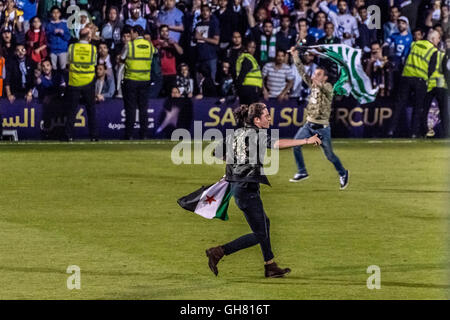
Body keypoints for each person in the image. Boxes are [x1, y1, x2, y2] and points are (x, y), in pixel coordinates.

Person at [206, 102, 322, 278]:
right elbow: (277, 144)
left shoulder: (237, 133)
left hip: (240, 188)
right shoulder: (257, 134)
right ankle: (219, 251)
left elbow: (216, 152)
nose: (269, 117)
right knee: (260, 234)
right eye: (266, 115)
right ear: (257, 119)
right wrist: (306, 140)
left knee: (264, 225)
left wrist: (235, 164)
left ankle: (270, 265)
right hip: (247, 190)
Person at [289, 46, 349, 189]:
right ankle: (302, 171)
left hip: (322, 129)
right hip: (308, 125)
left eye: (318, 74)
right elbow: (302, 71)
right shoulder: (314, 85)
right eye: (314, 74)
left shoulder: (328, 87)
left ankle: (343, 172)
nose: (314, 76)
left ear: (325, 77)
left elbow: (324, 88)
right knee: (295, 145)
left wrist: (318, 82)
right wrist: (295, 56)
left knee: (330, 156)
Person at [387, 29, 440, 138]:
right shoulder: (433, 51)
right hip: (420, 80)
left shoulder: (414, 44)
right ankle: (414, 133)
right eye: (438, 38)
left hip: (406, 77)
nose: (439, 41)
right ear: (433, 39)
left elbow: (405, 57)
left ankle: (391, 130)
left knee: (399, 105)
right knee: (418, 107)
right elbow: (432, 69)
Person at [120, 25, 155, 140]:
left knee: (131, 108)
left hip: (131, 80)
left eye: (131, 33)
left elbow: (122, 58)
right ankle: (143, 134)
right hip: (145, 80)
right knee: (143, 108)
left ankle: (129, 134)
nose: (130, 36)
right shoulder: (150, 45)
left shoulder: (130, 45)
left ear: (135, 33)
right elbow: (154, 54)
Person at [65, 27, 98, 142]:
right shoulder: (93, 49)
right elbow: (94, 63)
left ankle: (69, 135)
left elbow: (68, 62)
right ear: (89, 36)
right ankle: (93, 136)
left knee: (71, 110)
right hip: (88, 81)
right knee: (91, 109)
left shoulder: (72, 47)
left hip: (74, 81)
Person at [235, 40, 263, 105]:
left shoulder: (250, 58)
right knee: (250, 111)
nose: (252, 49)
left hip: (250, 88)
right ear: (246, 48)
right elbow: (242, 76)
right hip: (249, 89)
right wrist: (239, 90)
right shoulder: (247, 59)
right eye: (250, 47)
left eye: (254, 47)